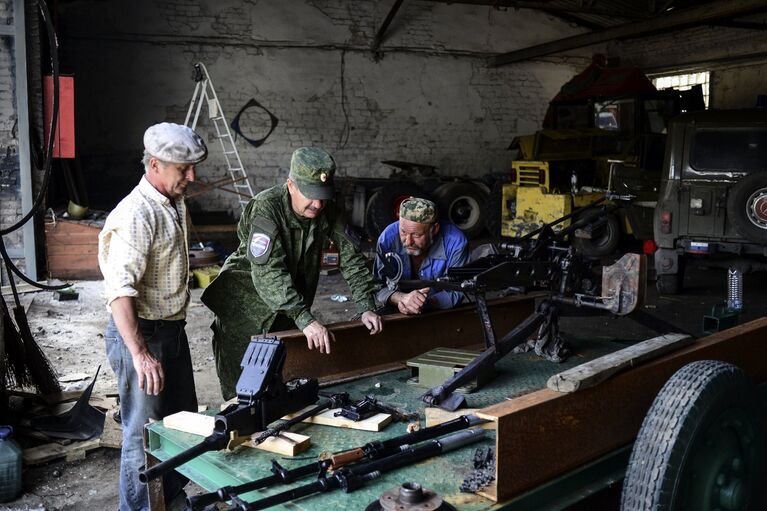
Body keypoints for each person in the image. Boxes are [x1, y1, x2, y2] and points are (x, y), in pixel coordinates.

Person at [201, 147, 383, 400]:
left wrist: (366, 304)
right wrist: (305, 318)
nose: (317, 204)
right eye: (310, 195)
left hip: (289, 307)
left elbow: (351, 256)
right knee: (241, 390)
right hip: (244, 307)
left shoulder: (327, 209)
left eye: (323, 196)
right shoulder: (267, 208)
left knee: (280, 380)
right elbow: (268, 271)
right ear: (291, 185)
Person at [98, 122, 206, 511]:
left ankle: (169, 500)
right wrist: (141, 354)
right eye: (184, 169)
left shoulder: (174, 202)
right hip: (142, 335)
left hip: (171, 330)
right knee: (143, 435)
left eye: (194, 167)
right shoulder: (136, 215)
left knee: (178, 424)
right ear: (156, 164)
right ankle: (143, 508)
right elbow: (119, 292)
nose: (192, 177)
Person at [374, 197, 469, 315]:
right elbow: (377, 287)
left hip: (438, 310)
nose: (408, 242)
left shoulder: (456, 243)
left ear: (434, 229)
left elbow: (460, 289)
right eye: (403, 232)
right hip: (398, 306)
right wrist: (402, 299)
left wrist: (424, 303)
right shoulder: (387, 238)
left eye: (416, 235)